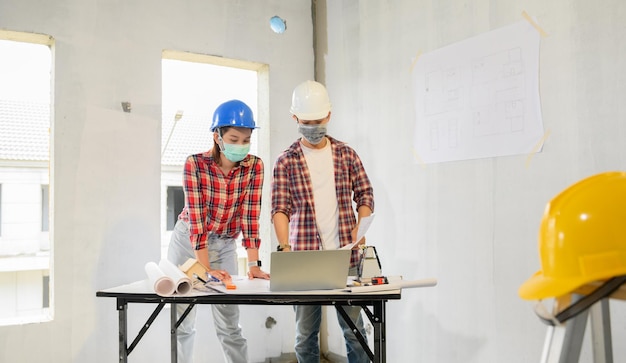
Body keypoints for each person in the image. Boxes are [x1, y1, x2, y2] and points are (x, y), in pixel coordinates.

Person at [271, 80, 375, 363]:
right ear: (295, 118)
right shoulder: (286, 161)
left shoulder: (346, 154)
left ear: (329, 116)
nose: (313, 126)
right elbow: (279, 209)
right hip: (304, 259)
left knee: (355, 332)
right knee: (305, 337)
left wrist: (360, 227)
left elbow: (365, 193)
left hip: (345, 255)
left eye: (317, 121)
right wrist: (284, 247)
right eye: (306, 122)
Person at [167, 99, 270, 363]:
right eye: (234, 138)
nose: (241, 145)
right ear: (218, 136)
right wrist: (206, 270)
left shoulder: (254, 167)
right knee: (183, 318)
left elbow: (250, 217)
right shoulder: (195, 165)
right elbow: (198, 223)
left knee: (229, 322)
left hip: (225, 244)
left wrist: (254, 263)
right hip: (188, 242)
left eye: (246, 139)